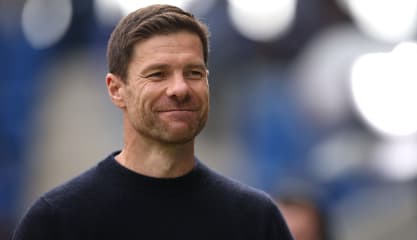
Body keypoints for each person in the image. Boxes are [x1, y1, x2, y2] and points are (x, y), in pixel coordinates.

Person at [13, 4, 294, 240]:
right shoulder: (56, 221)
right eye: (158, 74)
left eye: (194, 73)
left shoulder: (256, 220)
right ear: (116, 90)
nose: (180, 89)